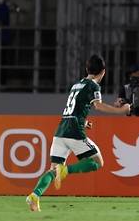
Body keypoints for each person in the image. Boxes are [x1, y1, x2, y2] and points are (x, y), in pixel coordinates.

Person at [26, 55, 131, 212]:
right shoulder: (93, 86)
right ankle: (66, 170)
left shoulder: (76, 85)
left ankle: (34, 196)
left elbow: (72, 110)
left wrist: (84, 122)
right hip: (74, 131)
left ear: (86, 69)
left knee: (53, 169)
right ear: (103, 72)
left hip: (61, 130)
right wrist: (122, 110)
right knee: (97, 161)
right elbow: (99, 106)